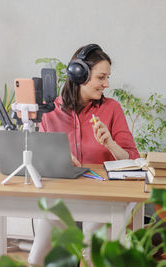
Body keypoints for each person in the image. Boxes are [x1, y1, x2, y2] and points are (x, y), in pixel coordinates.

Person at [28, 44, 140, 265]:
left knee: (96, 257)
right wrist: (56, 160)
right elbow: (38, 159)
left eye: (107, 77)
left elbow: (134, 161)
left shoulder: (111, 109)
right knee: (39, 259)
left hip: (104, 199)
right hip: (63, 198)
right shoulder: (50, 112)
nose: (106, 84)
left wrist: (111, 143)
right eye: (101, 77)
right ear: (79, 75)